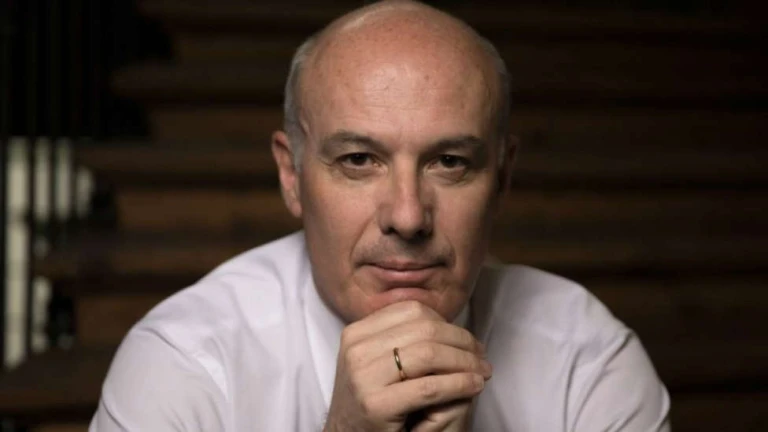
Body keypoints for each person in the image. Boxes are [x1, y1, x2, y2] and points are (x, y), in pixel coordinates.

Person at [90, 1, 670, 430]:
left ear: (502, 178)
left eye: (449, 161)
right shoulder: (183, 363)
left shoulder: (586, 360)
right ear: (292, 175)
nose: (408, 217)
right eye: (358, 160)